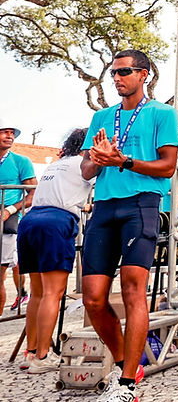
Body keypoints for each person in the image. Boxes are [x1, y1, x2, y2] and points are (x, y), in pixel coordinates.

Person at [81, 49, 178, 402]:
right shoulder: (102, 117)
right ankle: (126, 363)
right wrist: (98, 159)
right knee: (93, 298)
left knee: (133, 289)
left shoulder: (162, 113)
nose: (117, 78)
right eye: (114, 73)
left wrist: (123, 160)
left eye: (124, 72)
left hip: (141, 204)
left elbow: (168, 167)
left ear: (144, 74)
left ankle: (126, 386)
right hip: (104, 207)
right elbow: (86, 170)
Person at [18, 128, 93, 374]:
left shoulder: (55, 165)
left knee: (38, 293)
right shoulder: (84, 164)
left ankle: (31, 353)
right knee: (53, 293)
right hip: (56, 222)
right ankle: (42, 356)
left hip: (30, 221)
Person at [0, 120, 36, 317]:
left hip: (9, 223)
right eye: (4, 132)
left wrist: (10, 209)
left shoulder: (21, 161)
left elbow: (33, 193)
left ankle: (22, 293)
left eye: (12, 133)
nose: (10, 136)